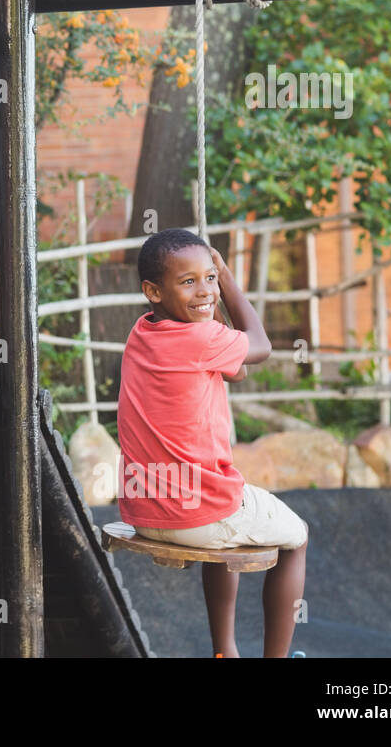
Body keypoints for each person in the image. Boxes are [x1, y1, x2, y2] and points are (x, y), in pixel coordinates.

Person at [117, 228, 309, 657]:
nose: (204, 290)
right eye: (189, 282)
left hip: (142, 507)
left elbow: (234, 369)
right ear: (152, 290)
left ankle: (225, 652)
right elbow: (260, 346)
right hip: (196, 511)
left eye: (208, 278)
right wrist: (225, 275)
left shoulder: (141, 332)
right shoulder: (201, 339)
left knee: (227, 535)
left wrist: (206, 302)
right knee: (298, 537)